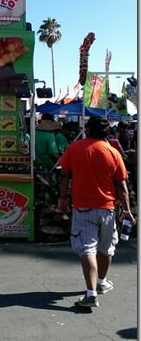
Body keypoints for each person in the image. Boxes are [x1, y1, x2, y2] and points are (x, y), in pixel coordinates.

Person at [58, 115, 136, 309]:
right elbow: (122, 185)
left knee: (87, 249)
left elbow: (65, 174)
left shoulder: (75, 148)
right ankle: (101, 281)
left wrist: (61, 198)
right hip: (108, 209)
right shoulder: (113, 152)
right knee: (106, 248)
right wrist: (126, 210)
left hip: (83, 208)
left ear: (89, 130)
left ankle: (91, 293)